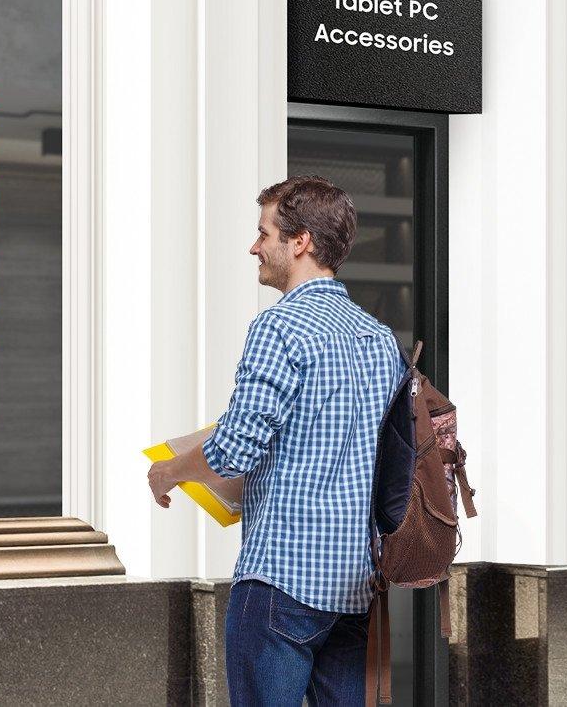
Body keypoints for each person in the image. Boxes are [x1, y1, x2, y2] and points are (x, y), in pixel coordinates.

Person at [147, 175, 405, 707]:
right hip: (354, 586)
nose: (254, 246)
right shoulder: (378, 338)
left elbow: (233, 449)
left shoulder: (279, 327)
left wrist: (169, 471)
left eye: (264, 233)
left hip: (281, 580)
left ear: (301, 241)